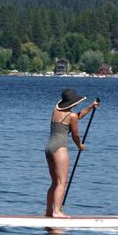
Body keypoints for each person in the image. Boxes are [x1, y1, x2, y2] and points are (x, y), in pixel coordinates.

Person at [44, 88, 99, 218]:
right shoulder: (71, 116)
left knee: (54, 182)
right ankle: (57, 212)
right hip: (60, 148)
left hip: (49, 147)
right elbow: (75, 136)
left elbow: (75, 117)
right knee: (63, 182)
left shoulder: (56, 110)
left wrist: (91, 107)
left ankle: (48, 211)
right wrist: (80, 145)